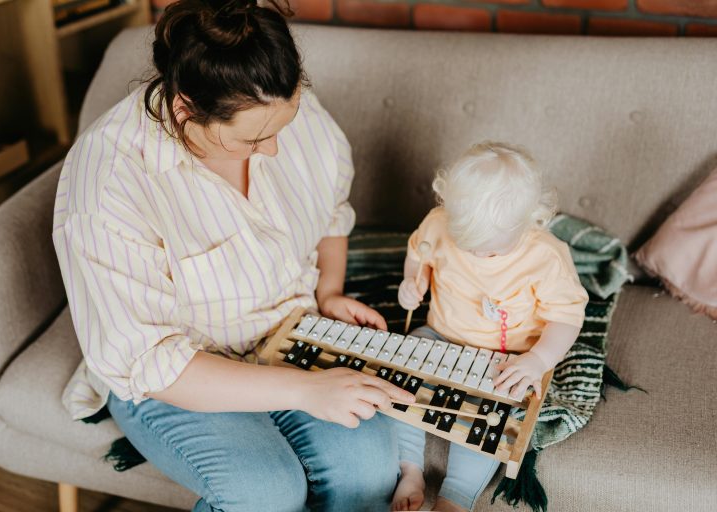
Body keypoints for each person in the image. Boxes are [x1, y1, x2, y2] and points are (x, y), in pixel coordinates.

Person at [52, 1, 414, 510]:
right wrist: (305, 392)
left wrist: (329, 291)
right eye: (254, 139)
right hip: (184, 375)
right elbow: (154, 362)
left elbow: (333, 208)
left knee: (369, 474)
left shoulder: (283, 106)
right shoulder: (111, 182)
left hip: (292, 333)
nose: (272, 151)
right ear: (184, 110)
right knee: (266, 490)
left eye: (280, 128)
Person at [391, 142, 589, 512]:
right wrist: (412, 282)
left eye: (491, 250)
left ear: (532, 218)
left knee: (490, 410)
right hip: (440, 336)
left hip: (504, 358)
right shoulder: (438, 224)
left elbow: (567, 316)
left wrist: (538, 358)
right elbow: (418, 254)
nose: (479, 255)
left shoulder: (545, 255)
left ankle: (455, 497)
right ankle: (410, 470)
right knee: (401, 369)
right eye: (469, 247)